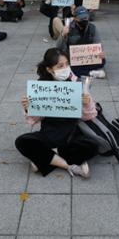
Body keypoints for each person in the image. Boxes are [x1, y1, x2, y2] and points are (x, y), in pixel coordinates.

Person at [15, 48, 98, 178]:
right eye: (60, 66)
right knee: (21, 142)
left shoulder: (76, 83)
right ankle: (69, 166)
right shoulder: (41, 86)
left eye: (67, 64)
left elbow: (89, 116)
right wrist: (28, 108)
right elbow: (34, 119)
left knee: (92, 146)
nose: (65, 68)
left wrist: (86, 102)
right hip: (48, 135)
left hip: (71, 135)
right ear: (49, 69)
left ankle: (46, 157)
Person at [57, 6, 107, 78]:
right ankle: (90, 73)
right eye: (81, 18)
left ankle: (78, 72)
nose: (84, 20)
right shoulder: (68, 28)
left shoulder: (92, 28)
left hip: (87, 57)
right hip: (72, 58)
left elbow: (98, 44)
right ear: (75, 18)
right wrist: (63, 35)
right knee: (67, 66)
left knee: (102, 61)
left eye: (86, 18)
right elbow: (58, 47)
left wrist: (101, 53)